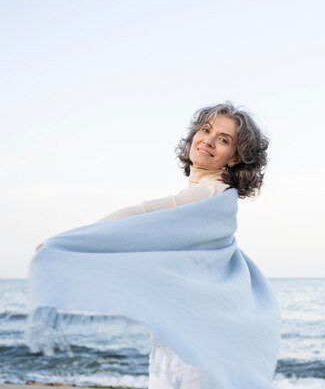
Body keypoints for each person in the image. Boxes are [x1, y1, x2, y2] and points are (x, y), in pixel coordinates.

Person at [34, 102, 274, 389]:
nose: (208, 140)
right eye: (206, 130)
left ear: (235, 159)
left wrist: (69, 243)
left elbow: (142, 216)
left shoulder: (212, 196)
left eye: (223, 140)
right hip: (176, 343)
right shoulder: (201, 206)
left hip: (192, 354)